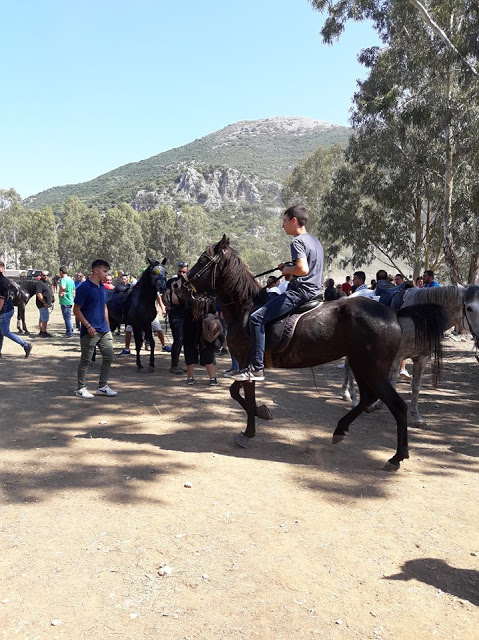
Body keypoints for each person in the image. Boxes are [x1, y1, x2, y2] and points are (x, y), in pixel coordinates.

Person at [233, 204, 323, 382]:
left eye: (284, 220)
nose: (283, 225)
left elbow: (303, 269)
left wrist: (287, 269)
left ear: (294, 220)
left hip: (300, 293)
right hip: (316, 291)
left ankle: (257, 368)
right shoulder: (314, 240)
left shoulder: (297, 241)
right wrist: (288, 267)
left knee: (256, 317)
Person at [73, 259, 117, 398]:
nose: (106, 275)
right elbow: (76, 310)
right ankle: (81, 388)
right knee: (86, 360)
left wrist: (108, 326)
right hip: (90, 331)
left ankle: (102, 386)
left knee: (109, 356)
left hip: (104, 330)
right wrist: (88, 326)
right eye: (104, 271)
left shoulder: (102, 287)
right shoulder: (84, 288)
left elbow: (104, 306)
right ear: (96, 271)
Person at [183, 301, 220, 386]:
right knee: (207, 350)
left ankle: (190, 378)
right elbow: (216, 314)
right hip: (206, 328)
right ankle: (212, 378)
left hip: (189, 328)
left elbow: (175, 301)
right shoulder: (207, 299)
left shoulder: (187, 297)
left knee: (189, 350)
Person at [0, 260, 32, 358]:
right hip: (6, 309)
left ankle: (26, 345)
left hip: (4, 310)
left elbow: (1, 299)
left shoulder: (2, 281)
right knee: (0, 332)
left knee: (5, 331)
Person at [162, 261, 188, 374]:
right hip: (175, 315)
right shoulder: (171, 282)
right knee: (178, 339)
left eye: (184, 271)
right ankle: (174, 365)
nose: (181, 273)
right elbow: (164, 295)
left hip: (187, 315)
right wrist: (168, 306)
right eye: (180, 271)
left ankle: (179, 363)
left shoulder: (189, 283)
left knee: (183, 340)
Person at [35, 270, 54, 337]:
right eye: (44, 275)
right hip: (42, 304)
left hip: (46, 304)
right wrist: (44, 302)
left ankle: (41, 330)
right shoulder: (40, 283)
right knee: (45, 318)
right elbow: (38, 294)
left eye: (47, 275)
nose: (45, 277)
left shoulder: (46, 283)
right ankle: (44, 332)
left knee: (42, 318)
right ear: (41, 275)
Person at [58, 266, 75, 337]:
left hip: (65, 301)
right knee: (69, 317)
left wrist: (60, 292)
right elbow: (74, 291)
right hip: (70, 300)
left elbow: (63, 287)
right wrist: (72, 297)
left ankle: (69, 332)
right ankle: (70, 329)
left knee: (66, 317)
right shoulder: (71, 280)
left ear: (61, 272)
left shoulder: (63, 280)